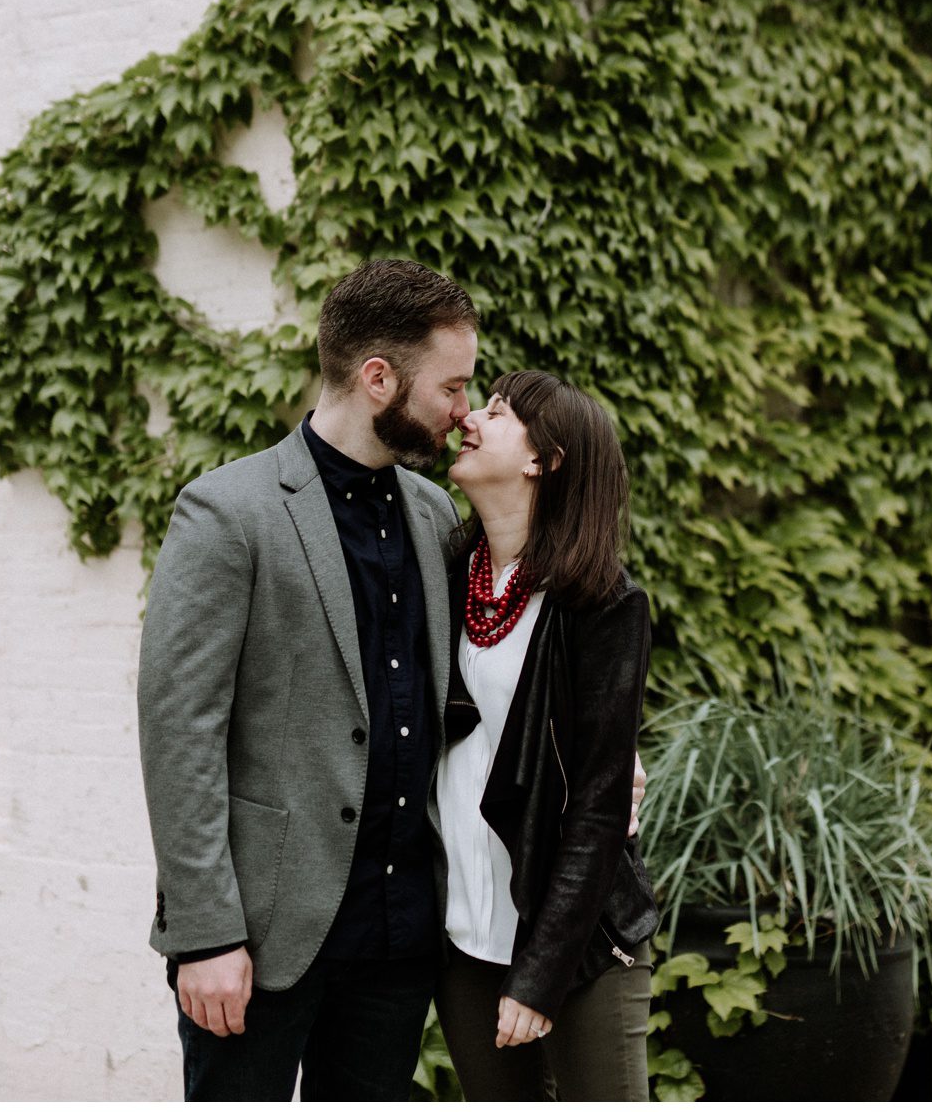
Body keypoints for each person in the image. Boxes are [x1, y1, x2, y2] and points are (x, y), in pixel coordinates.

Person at [136, 260, 642, 1101]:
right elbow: (178, 730)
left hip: (403, 939)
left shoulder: (436, 515)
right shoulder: (229, 513)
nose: (461, 411)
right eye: (452, 387)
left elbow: (505, 675)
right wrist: (203, 934)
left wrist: (604, 756)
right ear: (378, 379)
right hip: (263, 938)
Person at [433, 370, 659, 1100]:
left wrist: (538, 977)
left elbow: (598, 808)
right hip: (464, 934)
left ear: (544, 459)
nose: (470, 417)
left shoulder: (602, 606)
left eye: (496, 412)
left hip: (579, 943)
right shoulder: (441, 573)